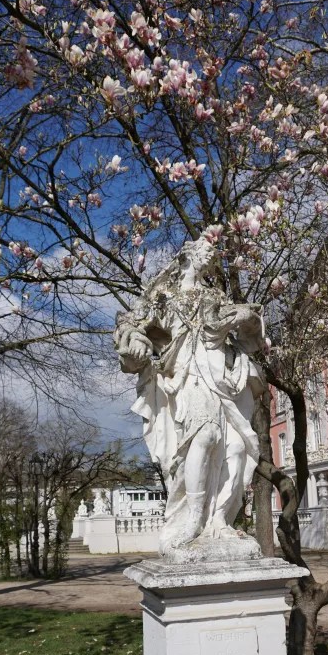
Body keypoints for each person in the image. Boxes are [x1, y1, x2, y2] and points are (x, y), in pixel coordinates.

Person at [114, 238, 266, 555]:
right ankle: (191, 520)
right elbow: (129, 326)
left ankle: (219, 521)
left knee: (236, 448)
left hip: (222, 377)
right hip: (186, 375)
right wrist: (137, 340)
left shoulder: (214, 297)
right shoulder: (163, 298)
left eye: (213, 257)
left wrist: (246, 318)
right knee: (207, 435)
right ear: (189, 256)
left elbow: (247, 332)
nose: (211, 261)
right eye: (206, 255)